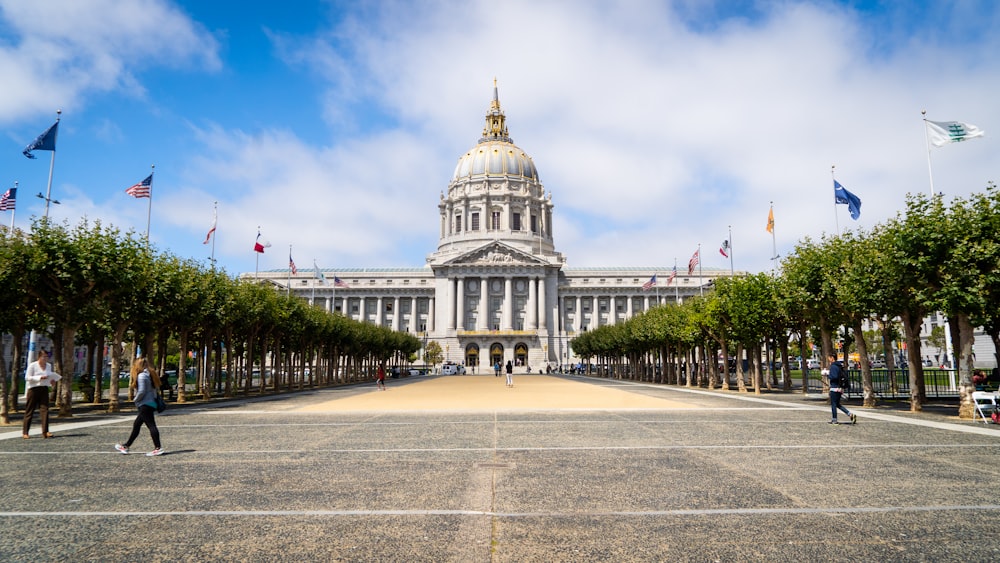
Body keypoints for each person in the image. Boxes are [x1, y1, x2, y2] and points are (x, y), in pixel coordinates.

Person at [115, 357, 165, 456]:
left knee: (151, 425)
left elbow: (141, 391)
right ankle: (126, 446)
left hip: (145, 404)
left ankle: (158, 447)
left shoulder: (142, 376)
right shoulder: (150, 374)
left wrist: (135, 400)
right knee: (137, 425)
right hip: (151, 403)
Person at [22, 349, 61, 439]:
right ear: (39, 357)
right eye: (44, 357)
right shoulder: (33, 366)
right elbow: (27, 378)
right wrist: (39, 377)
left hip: (44, 389)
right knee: (29, 410)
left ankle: (45, 431)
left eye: (47, 357)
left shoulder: (48, 366)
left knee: (45, 410)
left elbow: (49, 376)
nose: (45, 359)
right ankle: (25, 432)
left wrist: (52, 381)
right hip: (33, 389)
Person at [824, 353, 856, 425]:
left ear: (832, 358)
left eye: (829, 358)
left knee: (834, 404)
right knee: (837, 404)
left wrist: (828, 375)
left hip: (835, 387)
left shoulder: (833, 366)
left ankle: (834, 420)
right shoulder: (839, 366)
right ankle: (850, 414)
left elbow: (834, 376)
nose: (829, 359)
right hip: (840, 387)